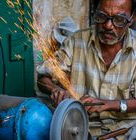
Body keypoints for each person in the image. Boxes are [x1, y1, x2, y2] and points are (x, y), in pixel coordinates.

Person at [37, 0, 136, 139]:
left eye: (119, 19)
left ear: (132, 18)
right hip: (80, 126)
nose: (108, 25)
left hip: (126, 129)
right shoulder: (76, 41)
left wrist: (111, 104)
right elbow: (42, 78)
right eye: (102, 16)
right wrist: (55, 89)